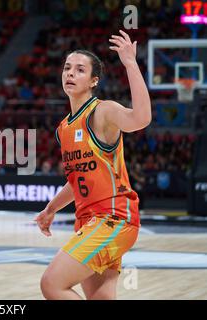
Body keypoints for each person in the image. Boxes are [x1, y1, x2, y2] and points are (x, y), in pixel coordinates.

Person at [35, 31, 151, 300]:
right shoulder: (64, 127)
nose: (70, 74)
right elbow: (78, 180)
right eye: (67, 68)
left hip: (113, 219)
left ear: (94, 81)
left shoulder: (103, 111)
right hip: (89, 221)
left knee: (51, 284)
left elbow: (142, 118)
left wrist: (130, 63)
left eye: (79, 70)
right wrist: (50, 209)